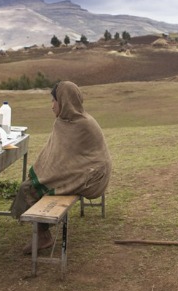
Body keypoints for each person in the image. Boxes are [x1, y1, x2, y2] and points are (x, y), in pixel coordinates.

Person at [11, 81, 112, 253]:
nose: (52, 106)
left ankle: (43, 236)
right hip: (85, 171)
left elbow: (65, 163)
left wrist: (43, 177)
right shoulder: (68, 121)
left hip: (93, 177)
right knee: (35, 184)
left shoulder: (82, 124)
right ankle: (42, 232)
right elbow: (59, 159)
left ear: (64, 101)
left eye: (54, 100)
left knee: (29, 188)